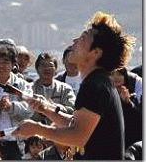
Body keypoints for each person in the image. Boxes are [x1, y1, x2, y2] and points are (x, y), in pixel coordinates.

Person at [13, 11, 136, 160]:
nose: (74, 40)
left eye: (83, 38)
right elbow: (76, 124)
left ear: (96, 52)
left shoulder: (94, 85)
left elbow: (78, 136)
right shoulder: (99, 81)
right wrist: (45, 108)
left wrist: (37, 129)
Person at [31, 52, 76, 125]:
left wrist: (51, 107)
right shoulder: (29, 88)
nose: (47, 68)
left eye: (50, 66)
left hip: (59, 132)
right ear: (37, 68)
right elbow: (24, 112)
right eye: (43, 65)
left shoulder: (65, 89)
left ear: (55, 69)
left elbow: (72, 109)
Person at [109, 68, 142, 148]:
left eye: (120, 85)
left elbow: (139, 122)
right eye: (114, 85)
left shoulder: (136, 84)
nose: (117, 89)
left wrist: (127, 103)